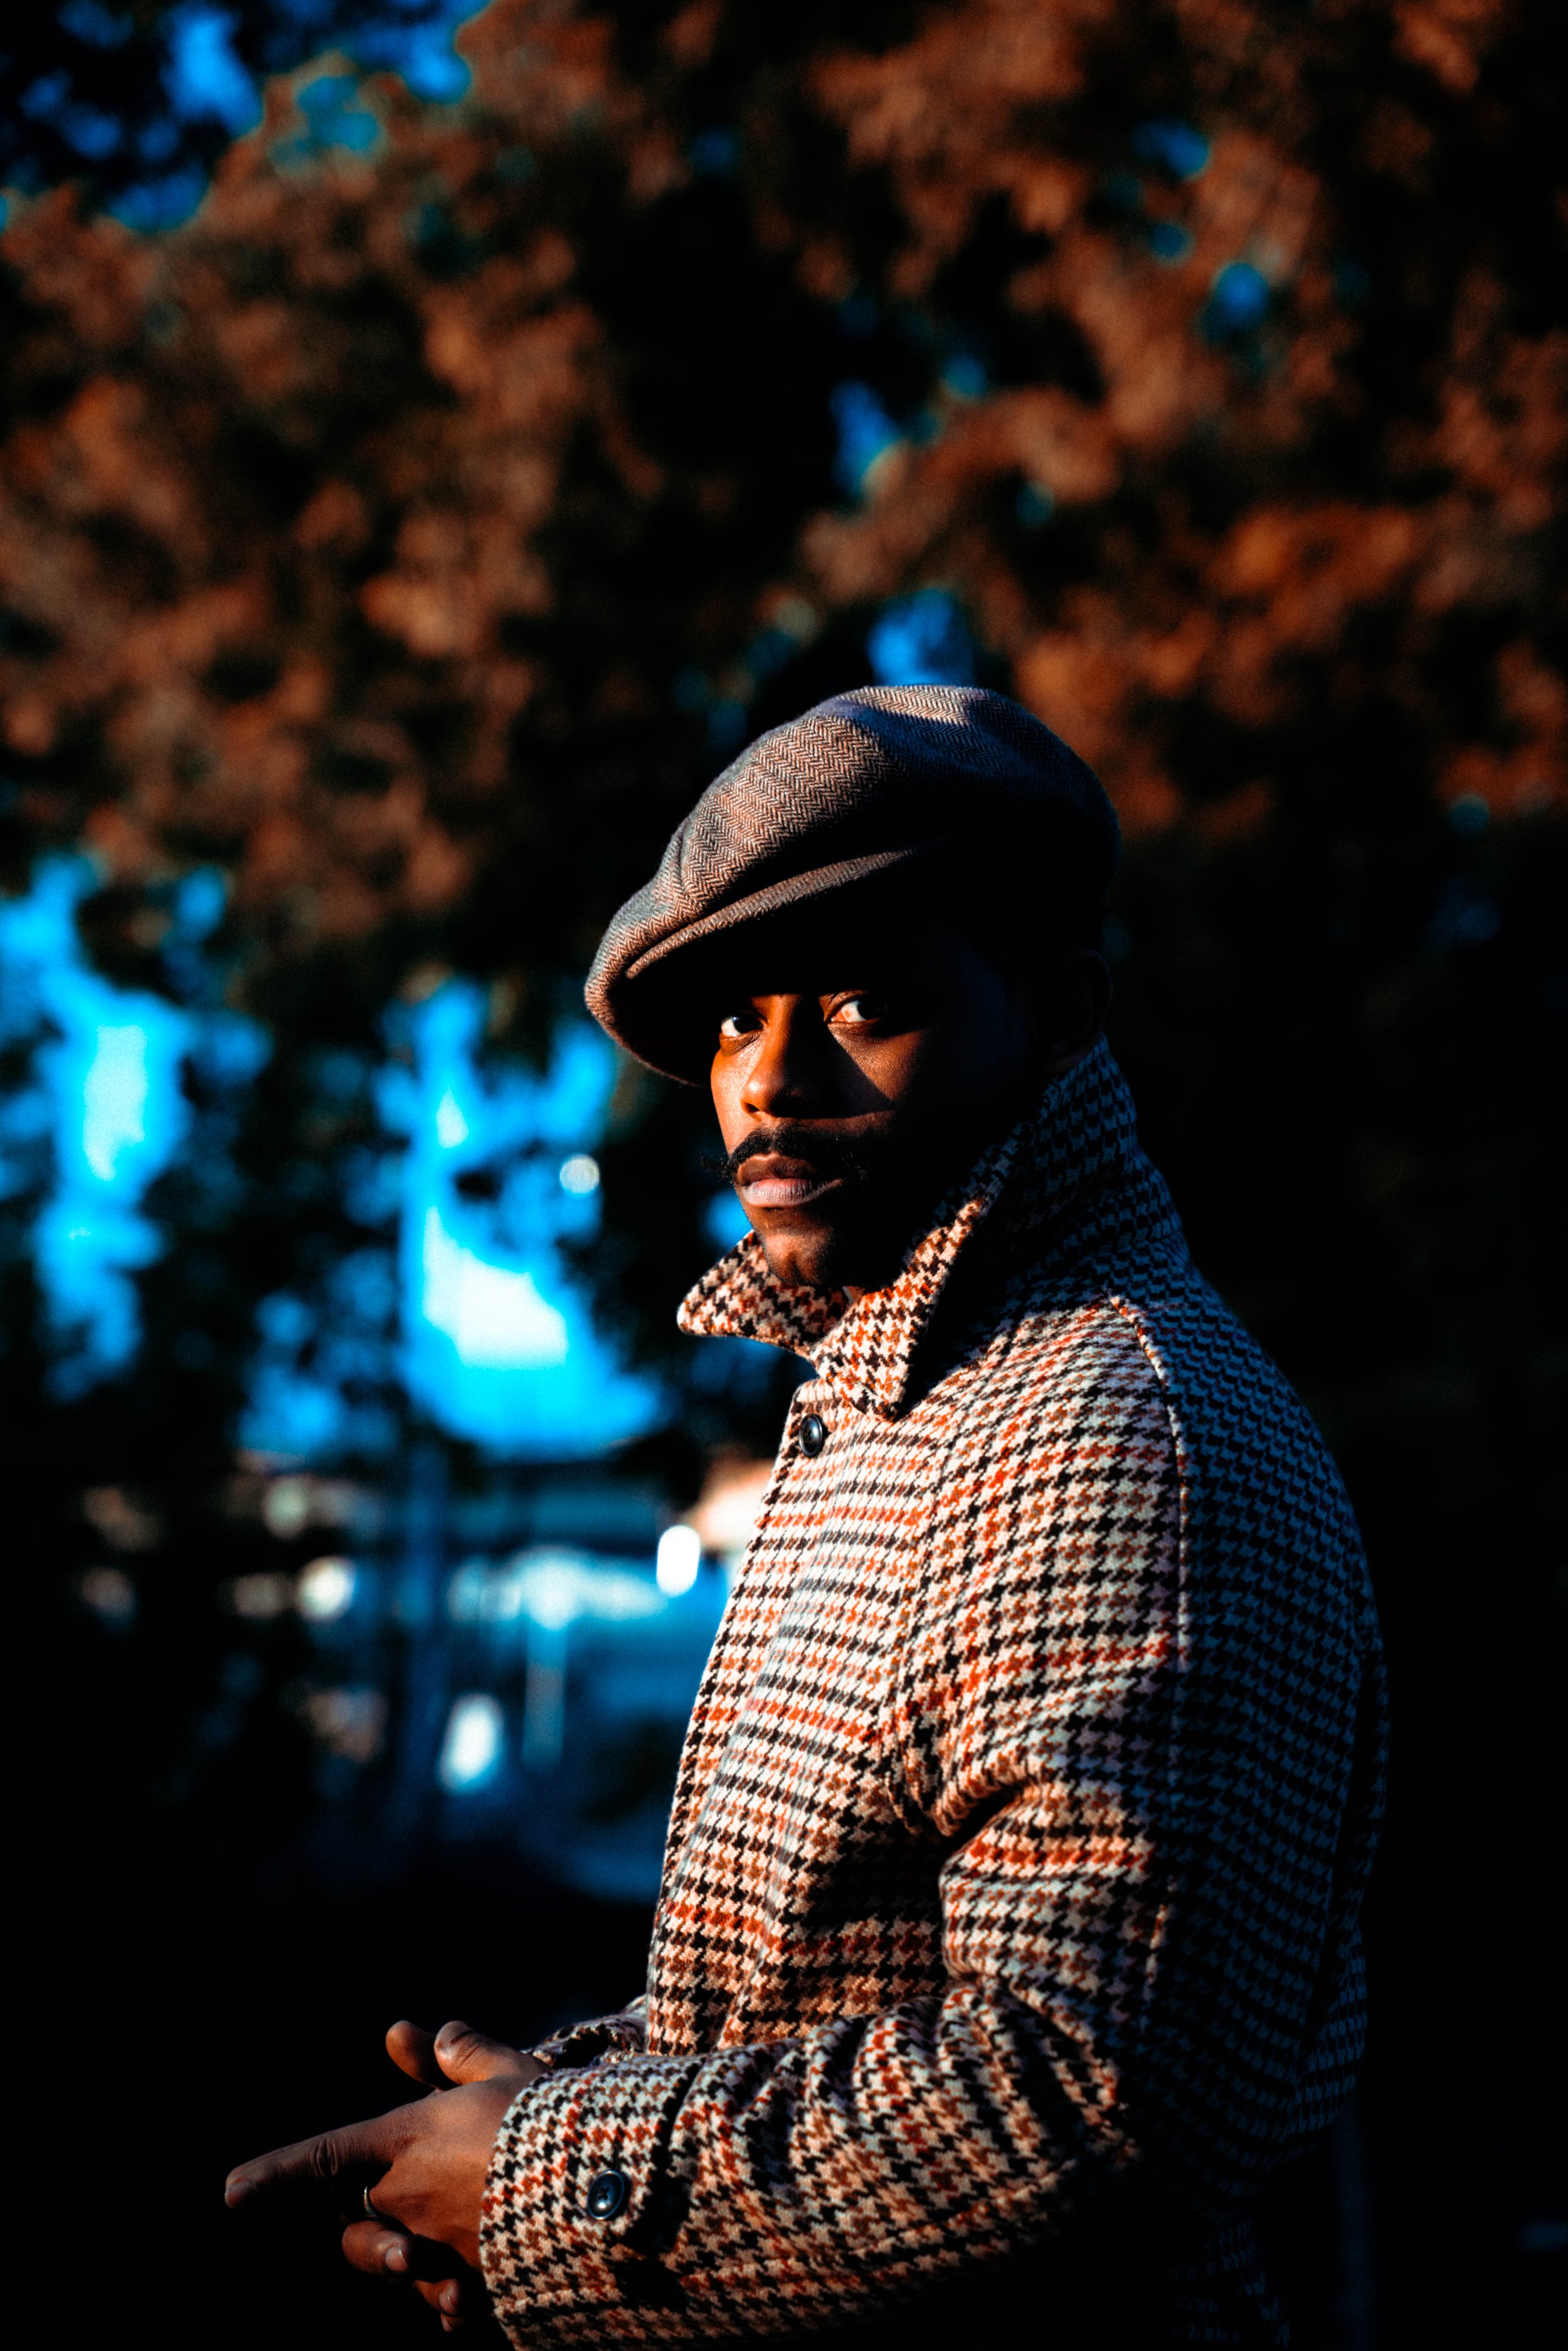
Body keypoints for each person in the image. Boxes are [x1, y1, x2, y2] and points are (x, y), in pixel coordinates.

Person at [226, 686, 1386, 2346]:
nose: (766, 1080)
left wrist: (548, 2181)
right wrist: (551, 2110)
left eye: (864, 997)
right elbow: (866, 1977)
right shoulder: (913, 1395)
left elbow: (1092, 2096)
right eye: (725, 1022)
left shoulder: (1116, 1427)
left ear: (1058, 1017)